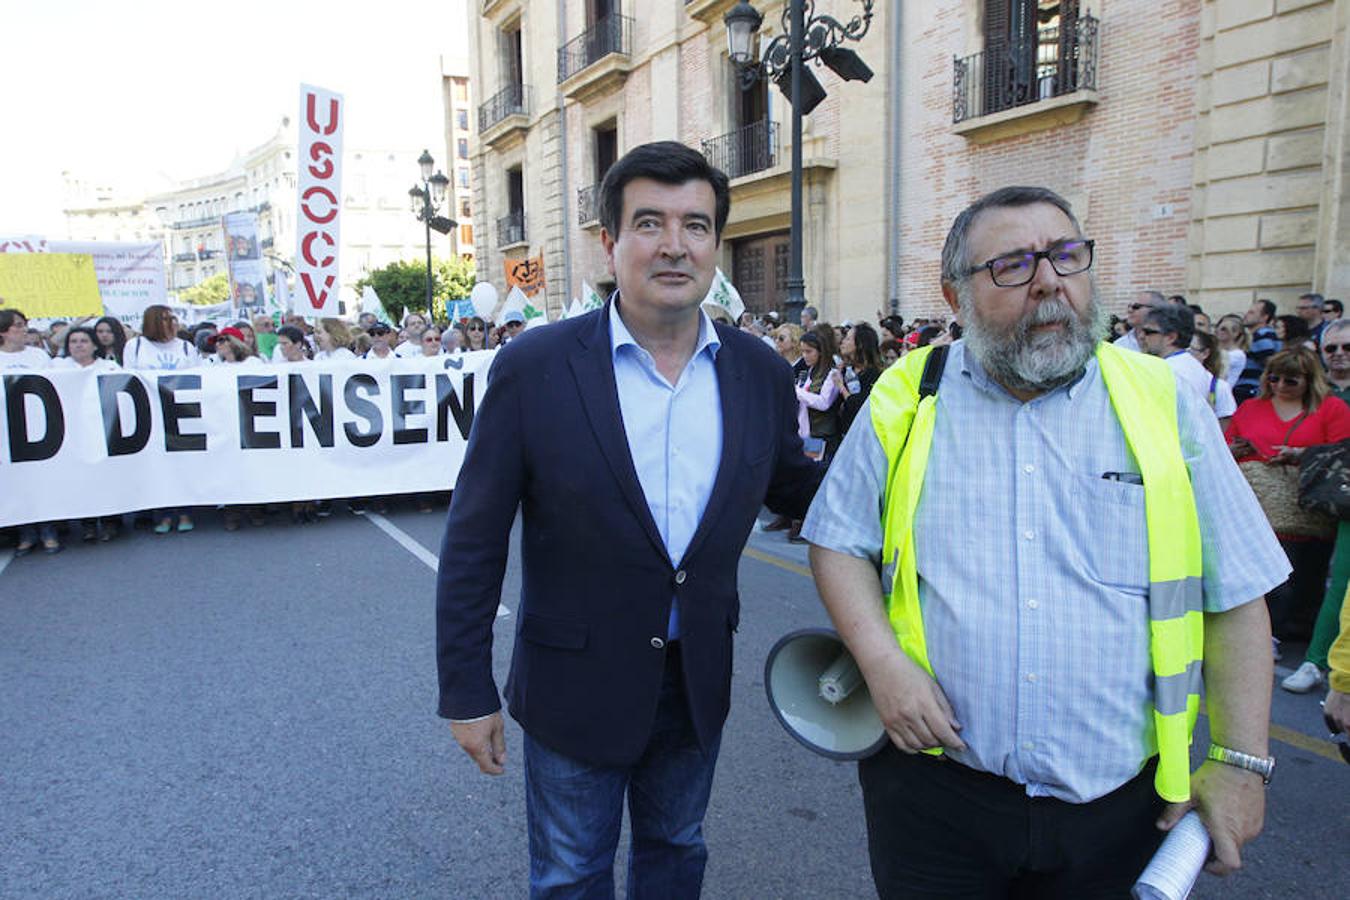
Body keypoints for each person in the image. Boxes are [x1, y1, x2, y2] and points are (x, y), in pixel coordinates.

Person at [803, 185, 1286, 896]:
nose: (1050, 283)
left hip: (1121, 807)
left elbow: (1237, 590)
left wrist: (1242, 762)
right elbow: (838, 540)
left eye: (1066, 256)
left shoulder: (1162, 400)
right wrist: (881, 663)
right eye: (1013, 265)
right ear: (954, 293)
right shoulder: (908, 394)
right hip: (933, 795)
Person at [435, 141, 821, 898]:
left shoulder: (760, 373)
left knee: (678, 852)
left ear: (716, 245)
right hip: (573, 682)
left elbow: (800, 494)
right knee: (572, 873)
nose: (674, 245)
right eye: (649, 223)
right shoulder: (535, 367)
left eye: (696, 225)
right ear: (610, 244)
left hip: (694, 680)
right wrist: (466, 689)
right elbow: (474, 538)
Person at [1227, 349, 1350, 645]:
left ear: (1309, 381)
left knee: (1301, 575)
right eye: (1274, 378)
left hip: (1305, 509)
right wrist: (1236, 450)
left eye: (1291, 381)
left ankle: (1288, 632)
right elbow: (1226, 443)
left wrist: (1300, 454)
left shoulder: (1331, 409)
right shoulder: (1251, 407)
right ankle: (1260, 634)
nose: (1280, 385)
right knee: (1256, 573)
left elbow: (1341, 454)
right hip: (1255, 503)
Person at [1282, 320, 1350, 693]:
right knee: (1339, 584)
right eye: (1332, 349)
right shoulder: (1317, 395)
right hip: (1336, 501)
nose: (1339, 355)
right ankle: (1316, 660)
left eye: (1347, 348)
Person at [1138, 304, 1236, 423]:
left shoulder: (1167, 369)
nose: (1141, 336)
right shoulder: (1194, 366)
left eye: (1149, 332)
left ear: (1171, 337)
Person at [834, 322, 884, 435]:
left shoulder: (873, 373)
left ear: (860, 344)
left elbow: (859, 405)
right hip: (843, 433)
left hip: (863, 434)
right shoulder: (846, 369)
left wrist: (841, 387)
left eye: (847, 339)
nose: (842, 342)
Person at [123, 305, 199, 371]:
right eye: (166, 319)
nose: (173, 323)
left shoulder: (186, 347)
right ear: (152, 323)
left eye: (173, 319)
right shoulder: (135, 345)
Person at [1237, 299, 1280, 401]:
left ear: (1264, 317)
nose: (1246, 315)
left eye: (1251, 313)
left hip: (1250, 388)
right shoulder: (1267, 334)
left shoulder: (1262, 334)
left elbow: (1269, 361)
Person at [1215, 312, 1249, 387]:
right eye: (1219, 327)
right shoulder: (1218, 350)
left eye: (1224, 329)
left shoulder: (1238, 355)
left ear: (1236, 333)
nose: (1220, 331)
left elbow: (1216, 364)